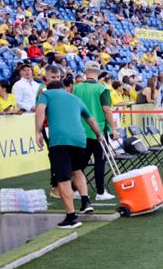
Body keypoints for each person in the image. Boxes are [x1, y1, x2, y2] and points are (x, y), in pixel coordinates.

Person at [35, 79, 102, 229]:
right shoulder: (75, 98)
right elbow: (91, 120)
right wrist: (99, 135)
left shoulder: (46, 94)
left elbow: (40, 110)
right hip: (80, 139)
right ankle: (85, 201)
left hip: (60, 140)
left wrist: (38, 131)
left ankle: (71, 217)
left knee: (63, 178)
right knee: (77, 170)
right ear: (64, 88)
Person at [72, 62, 119, 201]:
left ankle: (75, 189)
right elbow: (106, 110)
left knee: (82, 161)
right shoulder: (102, 89)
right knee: (99, 160)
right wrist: (113, 129)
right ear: (98, 73)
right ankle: (100, 191)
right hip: (97, 129)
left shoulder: (77, 88)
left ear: (86, 71)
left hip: (81, 129)